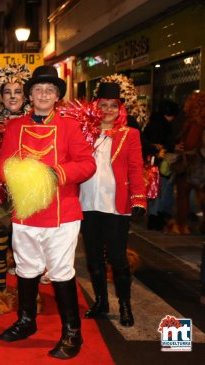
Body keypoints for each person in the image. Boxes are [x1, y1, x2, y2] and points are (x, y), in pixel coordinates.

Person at [0, 65, 96, 359]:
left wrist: (57, 173)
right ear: (30, 95)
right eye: (38, 89)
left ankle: (72, 333)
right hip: (26, 213)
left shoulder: (70, 127)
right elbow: (2, 165)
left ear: (57, 97)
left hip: (61, 213)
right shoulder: (14, 127)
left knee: (62, 272)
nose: (43, 94)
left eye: (49, 90)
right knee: (26, 269)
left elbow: (87, 165)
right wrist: (18, 173)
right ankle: (26, 321)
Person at [79, 82, 146, 327]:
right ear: (96, 107)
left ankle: (125, 306)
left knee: (118, 257)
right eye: (103, 105)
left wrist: (138, 197)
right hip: (86, 203)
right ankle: (101, 302)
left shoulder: (130, 135)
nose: (108, 110)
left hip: (116, 206)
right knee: (94, 256)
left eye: (112, 106)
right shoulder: (84, 133)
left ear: (120, 109)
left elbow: (135, 168)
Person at [0, 63, 31, 314]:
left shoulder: (35, 121)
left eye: (18, 91)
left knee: (27, 249)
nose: (12, 96)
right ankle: (0, 292)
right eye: (7, 91)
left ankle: (27, 296)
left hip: (29, 195)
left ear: (25, 95)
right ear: (0, 96)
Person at [171, 92, 205, 235]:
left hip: (192, 164)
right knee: (201, 195)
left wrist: (181, 146)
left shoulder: (195, 123)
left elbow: (190, 144)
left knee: (183, 196)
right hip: (201, 163)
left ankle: (181, 226)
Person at [143, 100, 180, 230]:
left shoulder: (154, 122)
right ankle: (156, 219)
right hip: (158, 163)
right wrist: (172, 147)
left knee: (156, 190)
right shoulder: (162, 125)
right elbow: (158, 144)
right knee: (158, 190)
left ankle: (155, 217)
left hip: (153, 162)